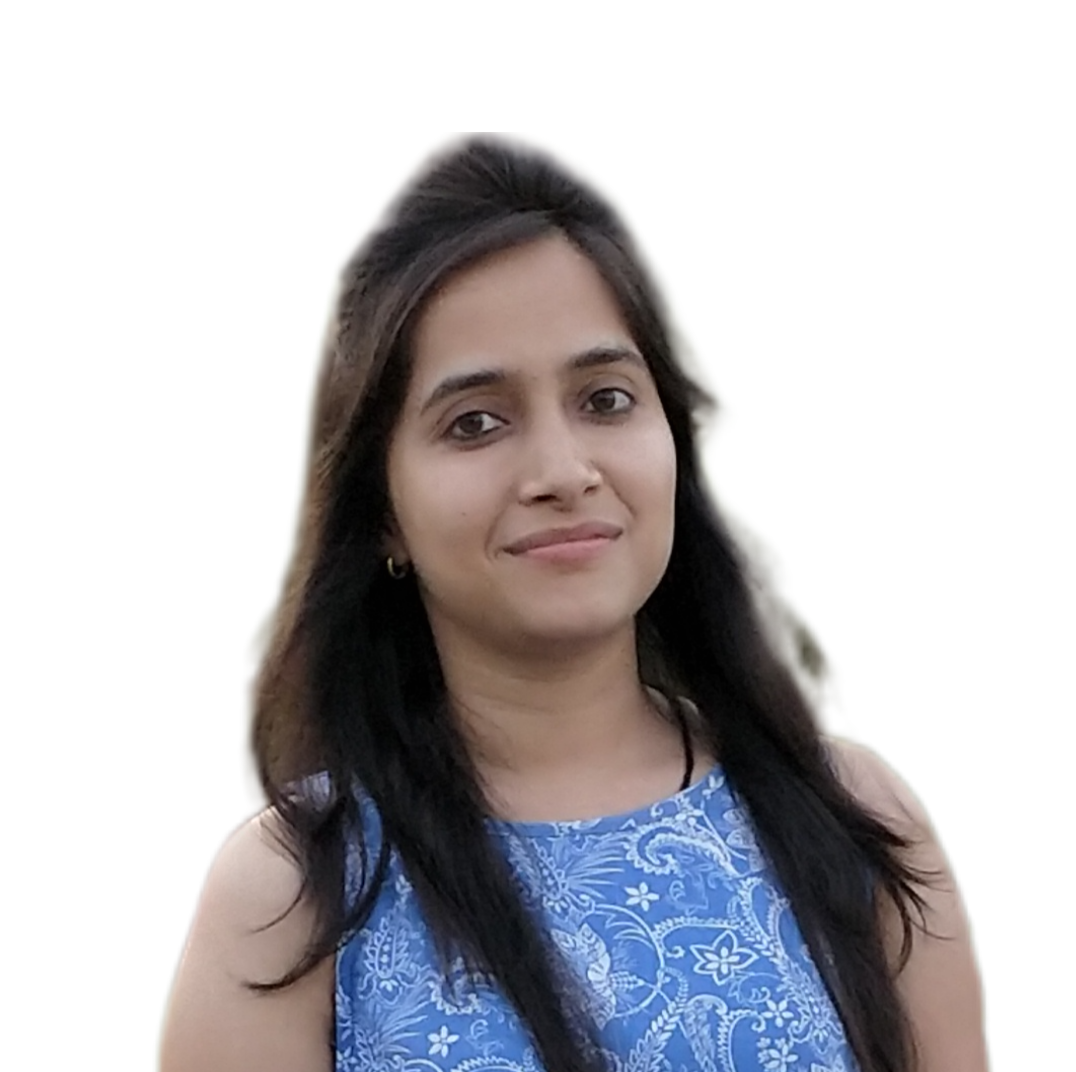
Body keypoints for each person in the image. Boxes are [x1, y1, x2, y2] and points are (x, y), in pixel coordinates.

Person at [159, 137, 988, 1072]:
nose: (562, 470)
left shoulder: (853, 824)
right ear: (382, 511)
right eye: (476, 422)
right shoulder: (293, 898)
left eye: (605, 399)